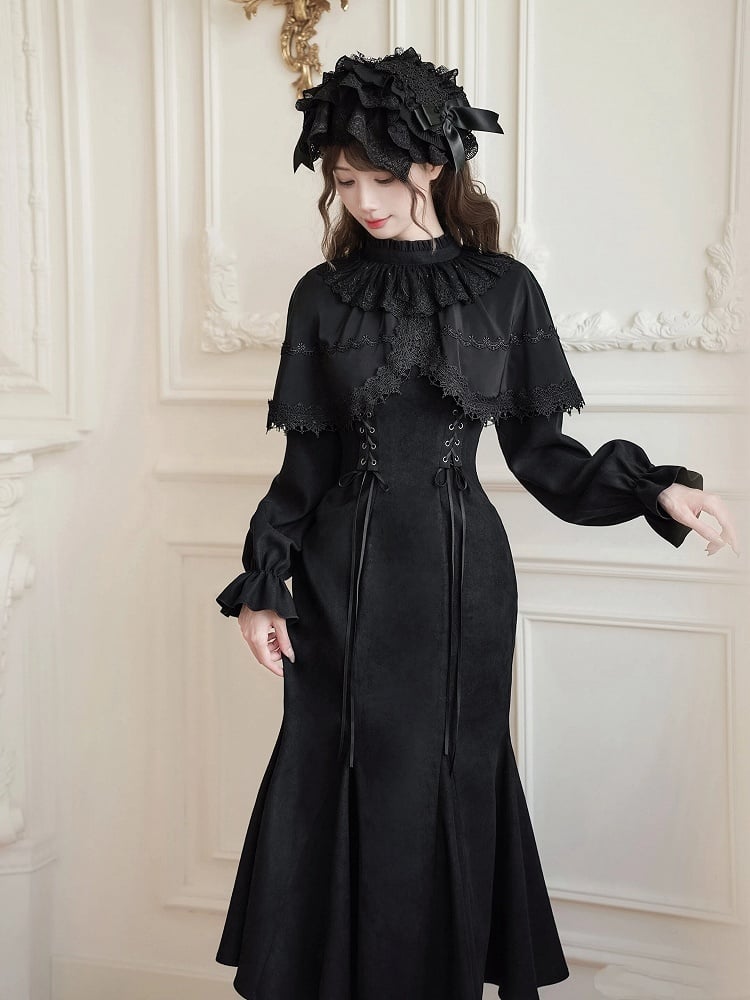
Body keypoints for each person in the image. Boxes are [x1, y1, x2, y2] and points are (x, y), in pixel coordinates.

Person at [214, 46, 739, 1000]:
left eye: (379, 177)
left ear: (431, 162)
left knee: (449, 780)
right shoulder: (321, 296)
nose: (362, 200)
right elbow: (305, 468)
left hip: (462, 589)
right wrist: (263, 587)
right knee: (335, 773)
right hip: (339, 588)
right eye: (343, 180)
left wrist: (655, 491)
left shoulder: (505, 289)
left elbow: (543, 458)